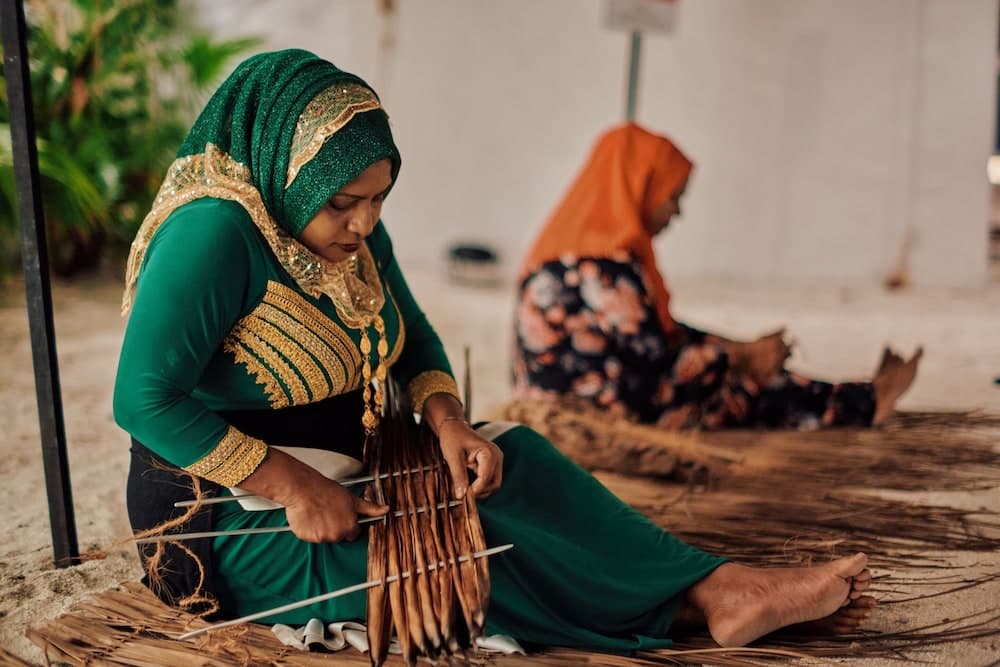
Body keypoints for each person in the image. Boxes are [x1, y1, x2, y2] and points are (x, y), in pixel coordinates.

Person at [113, 50, 875, 653]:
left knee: (522, 463)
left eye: (379, 199)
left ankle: (717, 581)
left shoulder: (357, 228)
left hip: (353, 463)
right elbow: (141, 399)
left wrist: (448, 422)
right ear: (283, 167)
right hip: (222, 512)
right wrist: (292, 486)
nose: (364, 224)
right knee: (441, 554)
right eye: (344, 203)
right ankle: (687, 608)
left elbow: (413, 335)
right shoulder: (213, 235)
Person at [514, 124, 921, 430]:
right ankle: (862, 405)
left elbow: (657, 340)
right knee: (744, 390)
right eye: (672, 197)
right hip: (603, 416)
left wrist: (738, 348)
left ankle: (861, 397)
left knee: (735, 370)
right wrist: (742, 358)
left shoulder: (573, 253)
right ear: (638, 188)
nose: (675, 212)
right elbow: (663, 372)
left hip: (594, 397)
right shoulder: (603, 271)